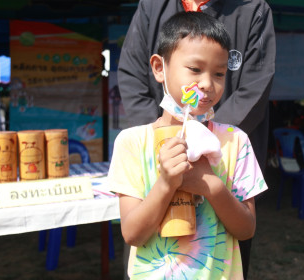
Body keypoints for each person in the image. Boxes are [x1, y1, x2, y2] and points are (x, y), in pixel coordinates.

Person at [117, 1, 276, 277]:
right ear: (158, 67)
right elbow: (132, 233)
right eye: (194, 69)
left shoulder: (235, 143)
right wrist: (164, 170)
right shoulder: (132, 143)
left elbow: (246, 228)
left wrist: (209, 169)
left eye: (219, 74)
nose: (206, 83)